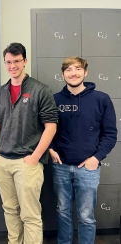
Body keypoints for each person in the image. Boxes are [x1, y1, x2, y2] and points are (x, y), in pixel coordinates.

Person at [0, 42, 58, 244]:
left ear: (25, 61)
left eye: (17, 61)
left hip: (27, 162)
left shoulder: (40, 90)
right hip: (2, 160)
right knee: (10, 210)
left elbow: (51, 127)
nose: (12, 66)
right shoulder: (1, 92)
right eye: (8, 62)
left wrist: (36, 156)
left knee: (30, 215)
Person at [49, 57, 117, 244]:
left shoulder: (101, 99)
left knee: (86, 215)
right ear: (63, 74)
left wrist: (96, 157)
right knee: (63, 212)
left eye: (78, 69)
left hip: (88, 168)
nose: (73, 73)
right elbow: (47, 130)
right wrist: (51, 149)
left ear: (85, 72)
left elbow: (110, 134)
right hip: (61, 166)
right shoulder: (55, 100)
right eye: (69, 70)